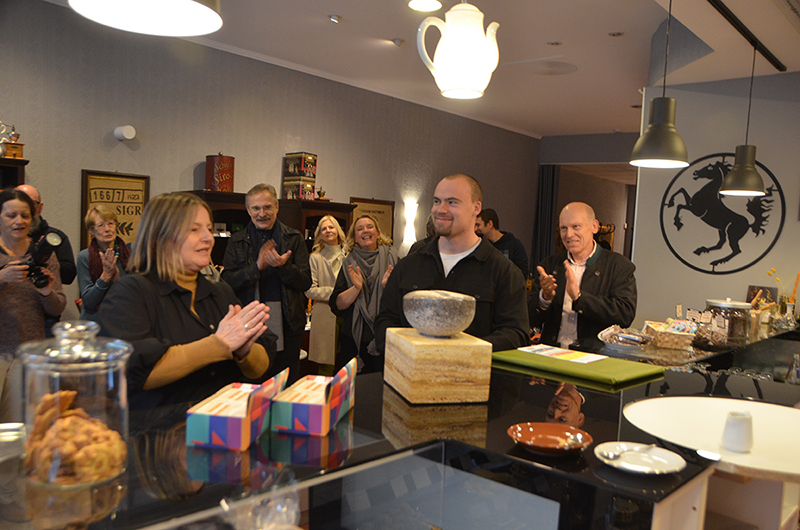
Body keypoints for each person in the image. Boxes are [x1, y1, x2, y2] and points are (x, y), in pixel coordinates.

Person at [97, 192, 275, 409]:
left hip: (220, 430)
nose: (208, 238)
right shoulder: (131, 293)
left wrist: (244, 351)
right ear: (161, 236)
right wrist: (219, 344)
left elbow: (261, 367)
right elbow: (133, 372)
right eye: (193, 229)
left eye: (209, 229)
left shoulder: (220, 292)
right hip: (155, 436)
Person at [376, 174, 530, 352]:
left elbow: (515, 335)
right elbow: (384, 322)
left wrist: (457, 352)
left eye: (452, 202)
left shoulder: (504, 272)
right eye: (436, 201)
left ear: (476, 208)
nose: (440, 209)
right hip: (412, 375)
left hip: (473, 377)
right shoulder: (408, 265)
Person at [221, 184, 311, 381]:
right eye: (255, 208)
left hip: (288, 324)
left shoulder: (294, 238)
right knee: (253, 382)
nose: (262, 213)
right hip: (248, 322)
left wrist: (283, 267)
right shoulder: (236, 241)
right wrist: (256, 268)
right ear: (248, 210)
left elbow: (305, 282)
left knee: (286, 383)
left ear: (277, 207)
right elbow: (226, 282)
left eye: (267, 207)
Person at [529, 202, 636, 353]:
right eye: (563, 228)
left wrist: (580, 298)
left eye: (576, 227)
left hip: (595, 359)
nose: (569, 234)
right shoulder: (549, 265)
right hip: (551, 355)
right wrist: (544, 298)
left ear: (594, 226)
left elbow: (625, 315)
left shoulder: (618, 266)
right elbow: (530, 318)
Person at [0, 189, 66, 423]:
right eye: (11, 215)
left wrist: (46, 292)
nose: (19, 221)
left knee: (24, 427)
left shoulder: (44, 254)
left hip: (29, 354)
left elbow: (57, 307)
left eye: (25, 215)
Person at [330, 214, 397, 373]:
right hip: (354, 340)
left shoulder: (393, 258)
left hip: (385, 338)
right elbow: (336, 305)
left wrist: (389, 287)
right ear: (355, 238)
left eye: (369, 227)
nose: (365, 231)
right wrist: (356, 288)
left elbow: (405, 302)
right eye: (360, 229)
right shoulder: (349, 264)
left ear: (378, 233)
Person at [304, 215, 346, 369]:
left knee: (346, 361)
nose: (328, 230)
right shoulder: (315, 258)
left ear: (338, 230)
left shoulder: (349, 254)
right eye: (324, 229)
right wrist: (336, 293)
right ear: (319, 234)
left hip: (347, 313)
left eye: (331, 227)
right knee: (326, 366)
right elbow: (309, 290)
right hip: (324, 315)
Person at [76, 205, 130, 320]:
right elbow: (89, 302)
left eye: (111, 223)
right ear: (91, 230)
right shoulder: (84, 257)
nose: (107, 229)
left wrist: (117, 280)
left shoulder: (131, 252)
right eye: (101, 225)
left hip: (124, 318)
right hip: (95, 322)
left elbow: (138, 294)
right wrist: (105, 277)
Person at [15, 184, 76, 285]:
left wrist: (46, 253)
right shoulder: (3, 237)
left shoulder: (55, 236)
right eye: (21, 203)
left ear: (40, 207)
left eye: (32, 204)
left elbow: (69, 277)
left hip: (45, 297)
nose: (27, 209)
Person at [475, 208, 529, 275]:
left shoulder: (514, 245)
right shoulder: (481, 245)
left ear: (490, 224)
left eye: (478, 225)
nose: (475, 229)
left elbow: (522, 273)